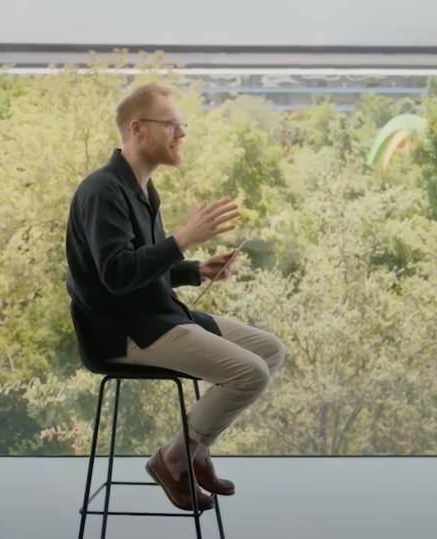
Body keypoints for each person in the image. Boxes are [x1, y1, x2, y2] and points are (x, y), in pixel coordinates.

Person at [65, 82, 285, 511]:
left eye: (180, 124)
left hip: (159, 315)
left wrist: (192, 270)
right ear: (137, 129)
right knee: (251, 373)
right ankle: (172, 460)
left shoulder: (144, 189)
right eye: (172, 124)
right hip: (125, 332)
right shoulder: (102, 191)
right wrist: (183, 238)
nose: (181, 133)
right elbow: (116, 275)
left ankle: (192, 452)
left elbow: (142, 265)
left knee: (270, 350)